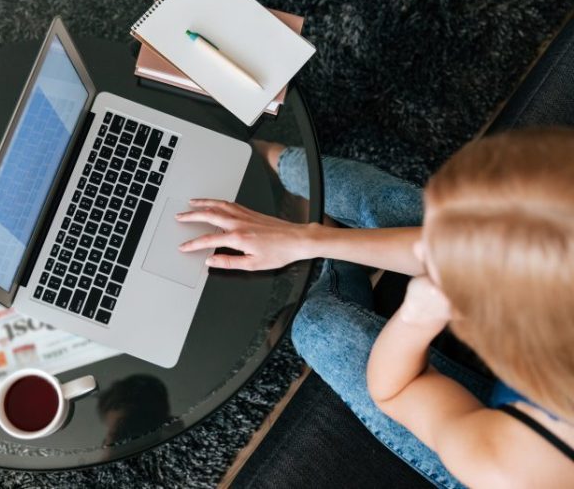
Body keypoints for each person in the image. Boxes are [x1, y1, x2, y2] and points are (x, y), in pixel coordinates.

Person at [176, 127, 574, 488]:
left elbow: (397, 389)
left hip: (506, 447)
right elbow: (447, 245)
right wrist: (306, 239)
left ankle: (332, 252)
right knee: (399, 208)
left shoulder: (514, 466)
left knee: (319, 328)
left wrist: (419, 315)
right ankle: (275, 159)